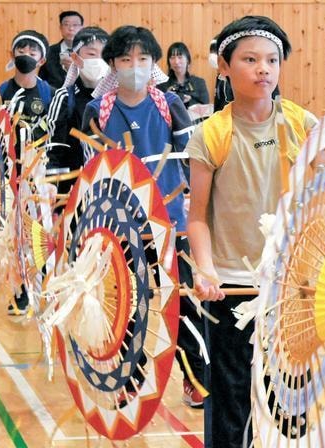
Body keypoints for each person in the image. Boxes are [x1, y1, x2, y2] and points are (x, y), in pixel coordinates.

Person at [185, 15, 317, 447]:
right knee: (230, 396)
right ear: (224, 66)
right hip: (232, 287)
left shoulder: (303, 124)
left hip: (292, 285)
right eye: (250, 59)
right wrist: (205, 270)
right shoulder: (212, 134)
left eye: (272, 60)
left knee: (292, 403)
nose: (264, 68)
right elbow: (198, 217)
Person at [80, 25, 204, 409]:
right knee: (128, 303)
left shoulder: (168, 104)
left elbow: (192, 157)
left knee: (184, 301)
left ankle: (196, 377)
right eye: (125, 59)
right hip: (120, 226)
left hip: (170, 223)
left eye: (143, 59)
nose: (135, 66)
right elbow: (90, 172)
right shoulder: (97, 109)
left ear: (153, 63)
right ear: (113, 65)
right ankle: (129, 379)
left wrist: (196, 205)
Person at [0, 29, 52, 315]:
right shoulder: (1, 92)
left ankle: (45, 282)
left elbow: (54, 133)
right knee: (12, 235)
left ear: (42, 59)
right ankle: (20, 291)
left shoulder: (49, 93)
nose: (25, 55)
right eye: (21, 50)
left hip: (39, 174)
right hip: (8, 175)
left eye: (32, 51)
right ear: (12, 55)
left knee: (39, 231)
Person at [47, 26, 109, 198]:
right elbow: (54, 147)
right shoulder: (64, 97)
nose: (98, 60)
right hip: (73, 189)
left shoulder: (118, 97)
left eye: (103, 55)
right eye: (91, 54)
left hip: (113, 187)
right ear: (75, 57)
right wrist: (51, 184)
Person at [40, 11, 84, 89]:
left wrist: (76, 70)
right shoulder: (48, 52)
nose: (71, 28)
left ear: (82, 28)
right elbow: (42, 81)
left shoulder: (89, 53)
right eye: (66, 25)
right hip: (53, 98)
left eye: (75, 25)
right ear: (60, 27)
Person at [157, 42, 209, 108]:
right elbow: (158, 110)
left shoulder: (199, 83)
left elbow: (205, 108)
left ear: (187, 60)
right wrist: (166, 97)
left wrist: (190, 101)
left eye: (180, 57)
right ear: (169, 62)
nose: (176, 61)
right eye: (172, 58)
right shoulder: (161, 86)